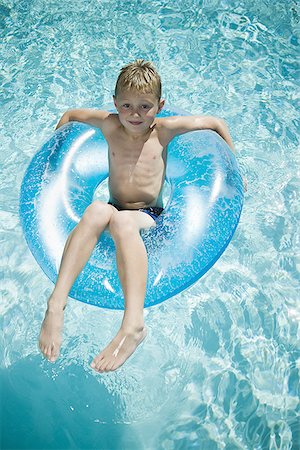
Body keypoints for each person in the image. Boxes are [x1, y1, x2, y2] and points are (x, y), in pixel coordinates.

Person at [39, 59, 239, 373]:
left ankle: (133, 324)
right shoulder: (108, 124)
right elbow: (71, 115)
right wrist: (54, 157)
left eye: (145, 106)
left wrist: (233, 170)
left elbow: (214, 123)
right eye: (127, 105)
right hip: (114, 205)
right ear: (115, 103)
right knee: (96, 211)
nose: (135, 114)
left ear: (160, 105)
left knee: (120, 220)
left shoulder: (165, 130)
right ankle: (56, 303)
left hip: (149, 216)